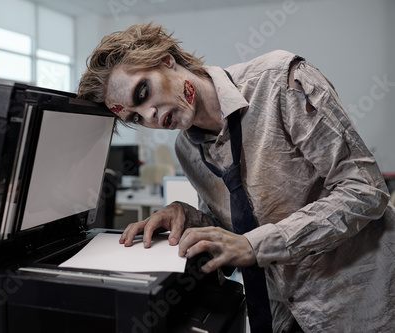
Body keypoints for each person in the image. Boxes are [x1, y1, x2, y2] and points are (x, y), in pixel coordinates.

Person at [77, 23, 395, 333]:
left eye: (143, 92)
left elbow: (364, 190)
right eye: (134, 116)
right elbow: (234, 230)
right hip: (282, 312)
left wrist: (256, 246)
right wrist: (187, 217)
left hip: (359, 304)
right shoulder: (188, 150)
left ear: (165, 60)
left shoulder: (280, 80)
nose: (149, 117)